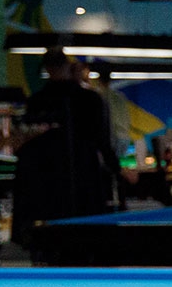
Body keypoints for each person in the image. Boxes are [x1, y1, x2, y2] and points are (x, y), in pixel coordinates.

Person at [12, 48, 115, 235]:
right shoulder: (91, 99)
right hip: (85, 180)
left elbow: (26, 145)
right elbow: (102, 141)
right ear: (68, 65)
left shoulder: (36, 102)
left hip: (48, 187)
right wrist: (118, 169)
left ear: (47, 69)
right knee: (88, 237)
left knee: (53, 240)